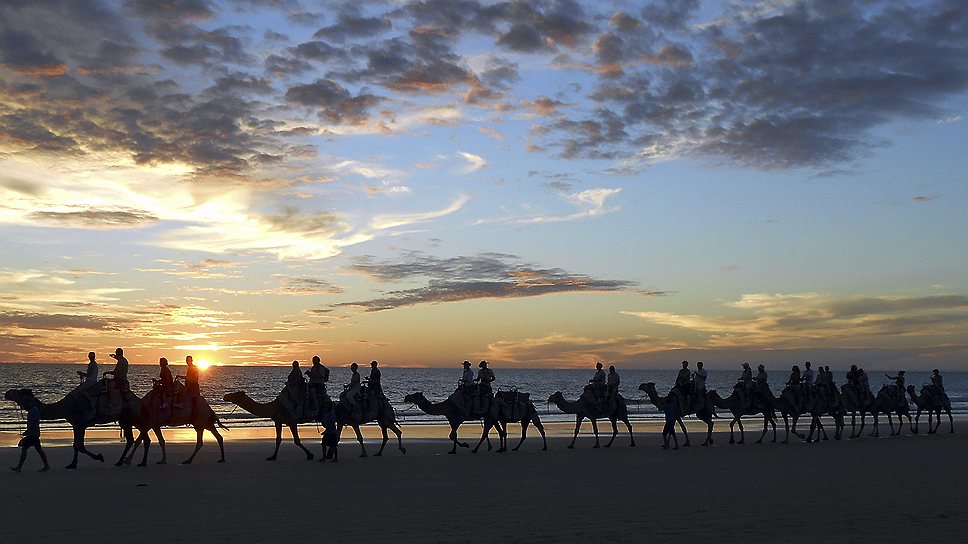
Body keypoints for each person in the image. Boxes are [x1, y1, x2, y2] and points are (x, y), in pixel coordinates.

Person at [10, 398, 49, 472]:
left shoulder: (32, 411)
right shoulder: (34, 410)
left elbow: (33, 423)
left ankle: (19, 467)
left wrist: (27, 431)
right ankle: (46, 465)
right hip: (34, 433)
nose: (24, 406)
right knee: (38, 450)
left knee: (25, 449)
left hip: (32, 434)